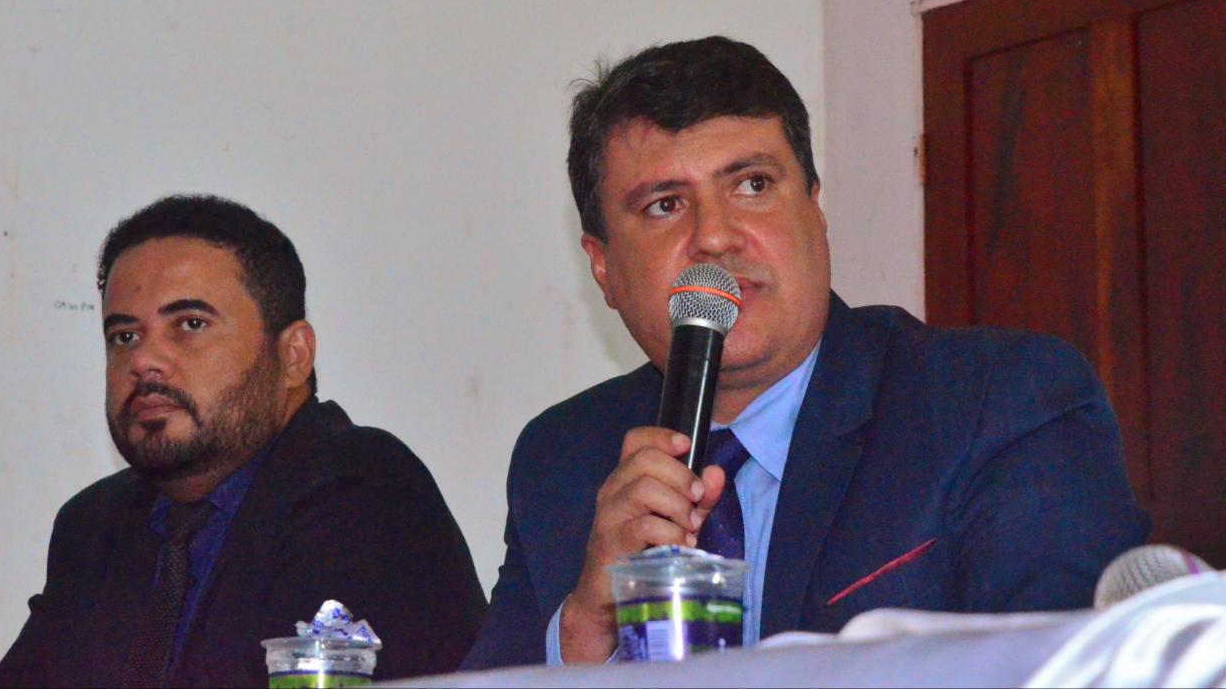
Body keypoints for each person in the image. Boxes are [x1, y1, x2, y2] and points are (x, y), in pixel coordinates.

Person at [463, 36, 1149, 668]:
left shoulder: (997, 402)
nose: (716, 237)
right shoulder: (562, 460)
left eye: (752, 185)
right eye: (665, 205)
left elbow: (1073, 671)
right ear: (603, 267)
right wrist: (587, 626)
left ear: (815, 210)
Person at [0, 195, 487, 686]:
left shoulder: (362, 490)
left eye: (190, 324)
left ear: (293, 355)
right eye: (124, 336)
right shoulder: (95, 525)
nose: (143, 361)